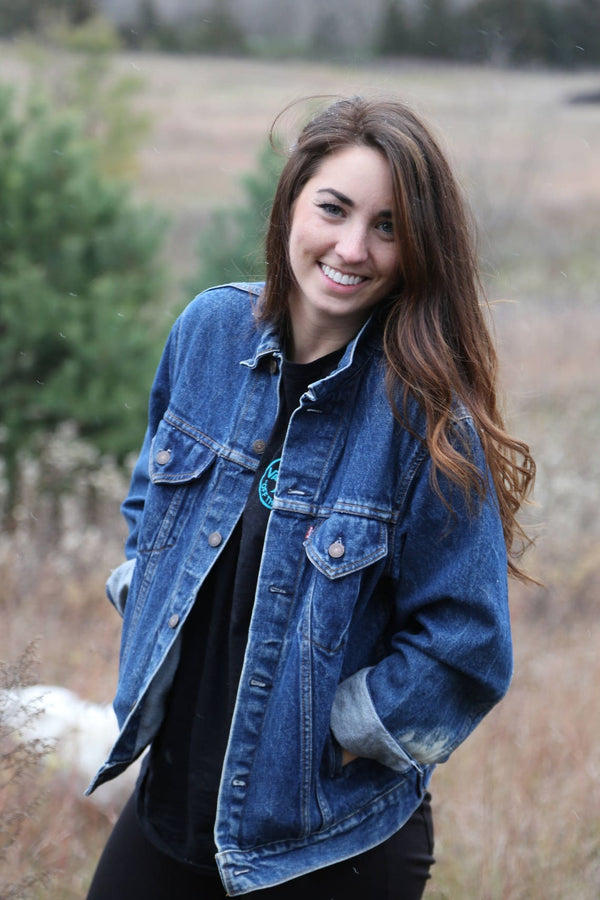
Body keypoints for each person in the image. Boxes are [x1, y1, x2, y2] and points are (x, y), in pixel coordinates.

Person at [85, 95, 535, 899]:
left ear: (418, 249)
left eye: (389, 227)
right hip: (170, 804)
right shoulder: (209, 332)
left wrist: (331, 734)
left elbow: (465, 644)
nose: (352, 247)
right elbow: (151, 497)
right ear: (293, 198)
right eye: (334, 208)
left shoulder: (423, 416)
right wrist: (144, 594)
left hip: (328, 843)